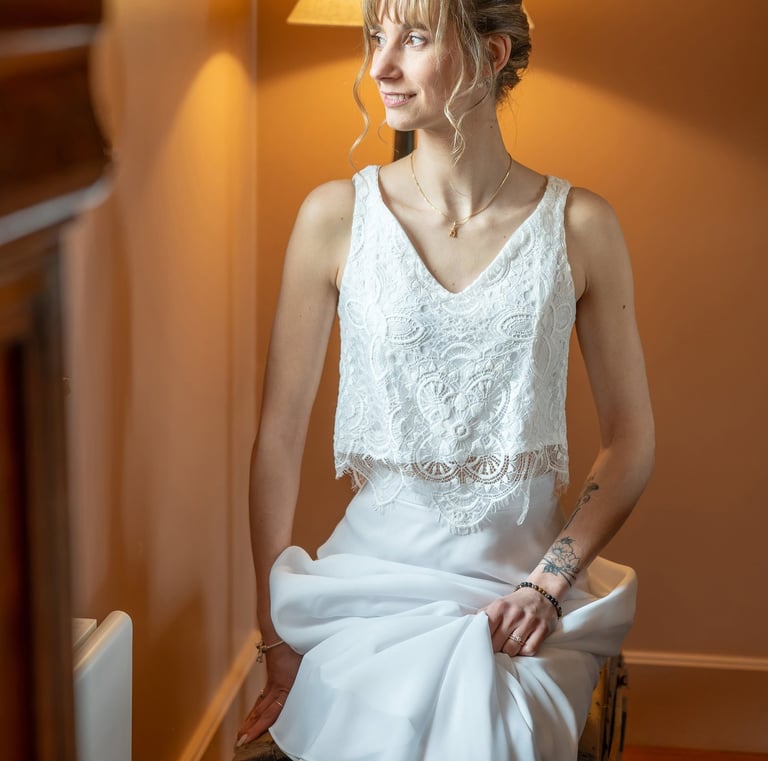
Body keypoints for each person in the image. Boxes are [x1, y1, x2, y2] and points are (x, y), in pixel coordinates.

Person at [237, 0, 654, 758]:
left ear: (492, 54)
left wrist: (547, 584)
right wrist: (277, 641)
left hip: (517, 597)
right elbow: (277, 438)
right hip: (365, 591)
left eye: (414, 38)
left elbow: (631, 442)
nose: (379, 66)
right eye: (375, 37)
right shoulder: (335, 217)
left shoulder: (581, 226)